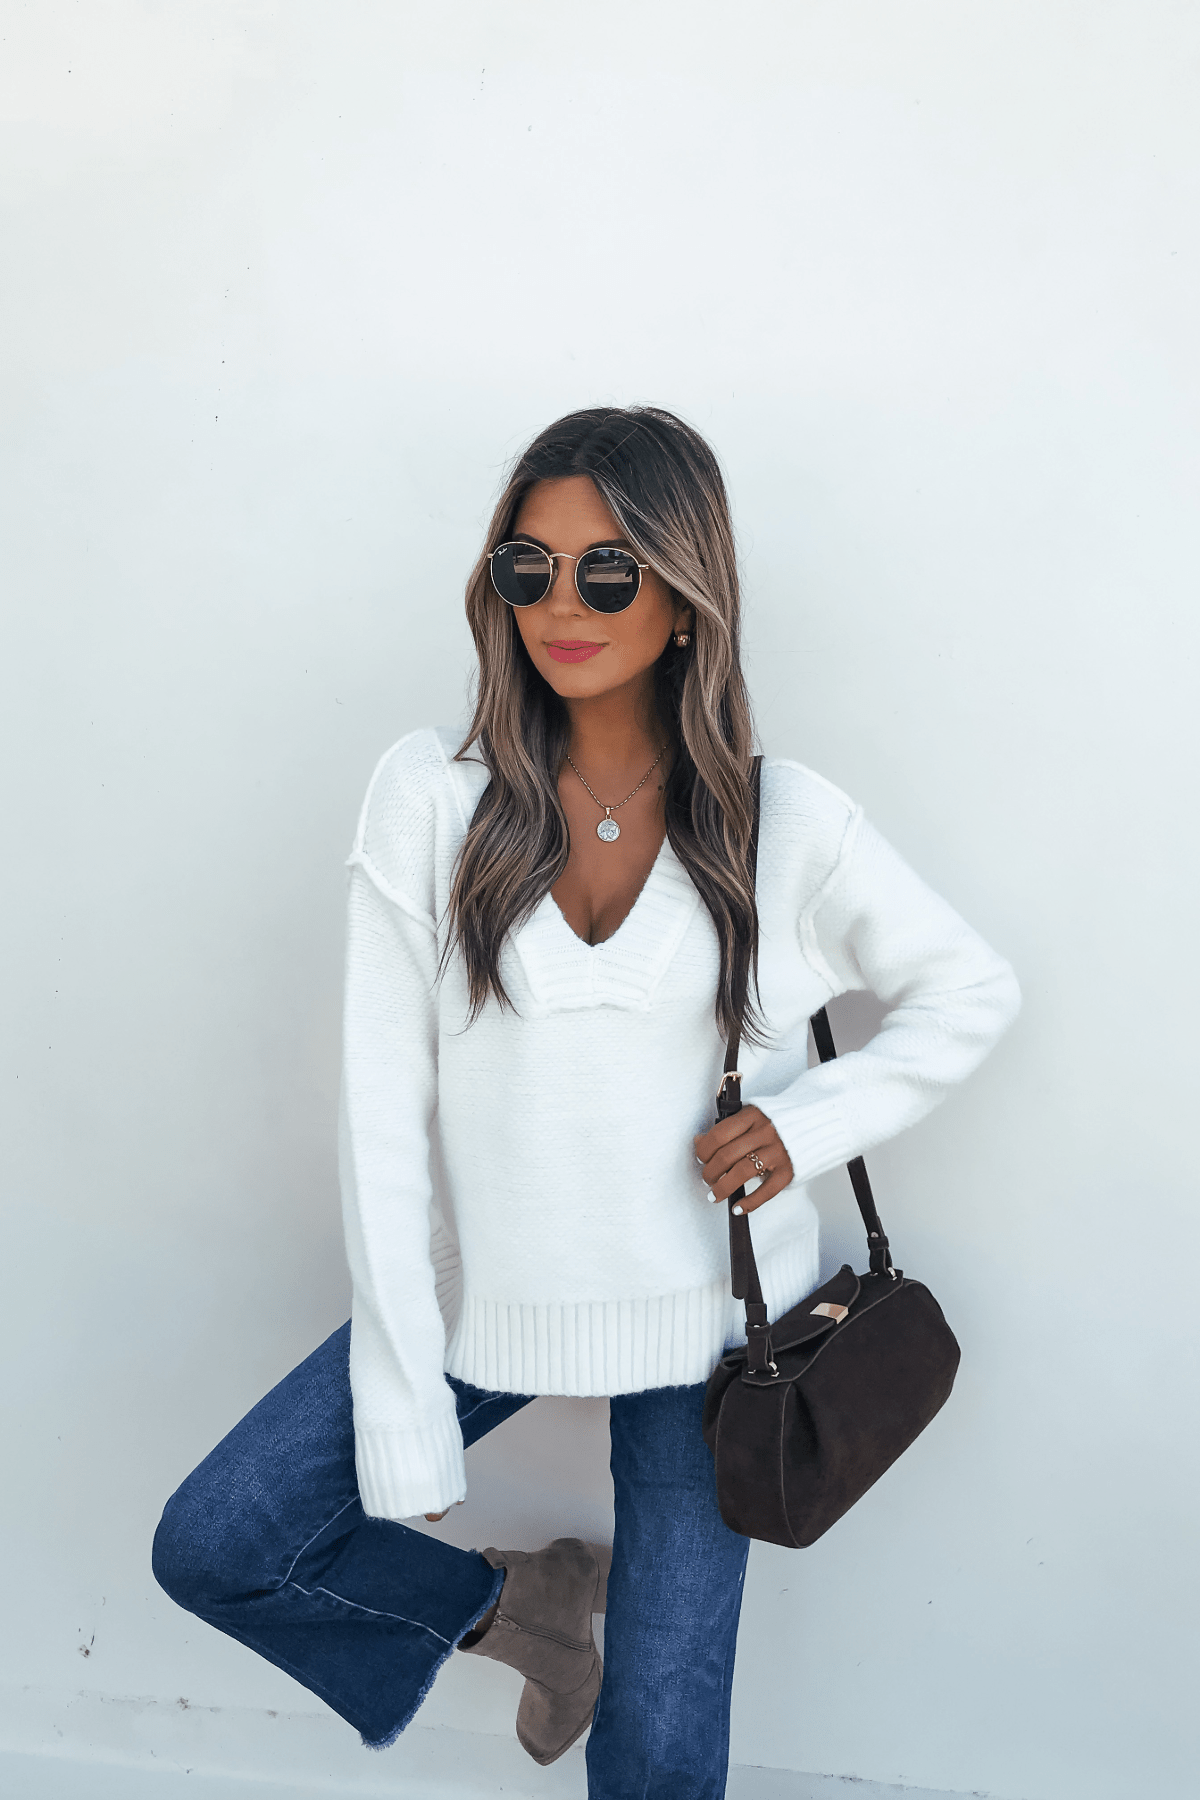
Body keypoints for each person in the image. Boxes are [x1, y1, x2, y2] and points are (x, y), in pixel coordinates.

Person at [152, 406, 1020, 1797]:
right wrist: (402, 1399)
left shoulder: (779, 819)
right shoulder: (431, 800)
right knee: (220, 1543)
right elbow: (380, 1113)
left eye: (611, 570)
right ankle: (529, 1617)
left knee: (664, 1754)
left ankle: (567, 1635)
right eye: (529, 566)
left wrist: (805, 1129)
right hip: (485, 1292)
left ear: (686, 595)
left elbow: (972, 991)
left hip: (712, 1339)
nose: (565, 603)